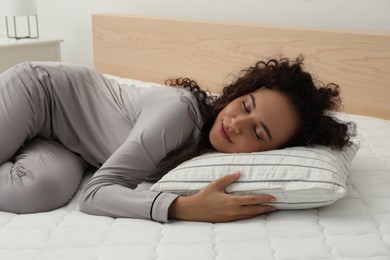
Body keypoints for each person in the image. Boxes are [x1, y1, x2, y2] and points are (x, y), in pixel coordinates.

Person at [0, 56, 354, 222]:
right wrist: (183, 207)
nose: (236, 123)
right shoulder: (179, 111)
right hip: (41, 94)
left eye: (258, 132)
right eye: (245, 105)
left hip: (68, 143)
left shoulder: (210, 151)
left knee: (38, 192)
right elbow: (95, 195)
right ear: (240, 92)